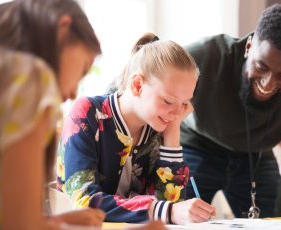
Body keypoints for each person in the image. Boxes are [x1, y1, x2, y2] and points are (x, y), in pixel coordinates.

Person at [180, 4, 281, 218]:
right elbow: (129, 87)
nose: (268, 84)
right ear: (249, 47)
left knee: (274, 221)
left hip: (256, 155)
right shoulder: (203, 57)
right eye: (261, 67)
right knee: (175, 219)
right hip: (196, 145)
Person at [57, 32, 216, 224]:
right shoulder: (87, 114)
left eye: (184, 104)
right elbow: (84, 201)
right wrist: (165, 210)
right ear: (137, 85)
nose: (177, 113)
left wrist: (173, 129)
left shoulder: (157, 126)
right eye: (167, 101)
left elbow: (168, 204)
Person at [0, 0, 106, 228]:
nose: (74, 93)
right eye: (83, 69)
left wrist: (55, 222)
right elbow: (19, 226)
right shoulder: (29, 77)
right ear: (62, 29)